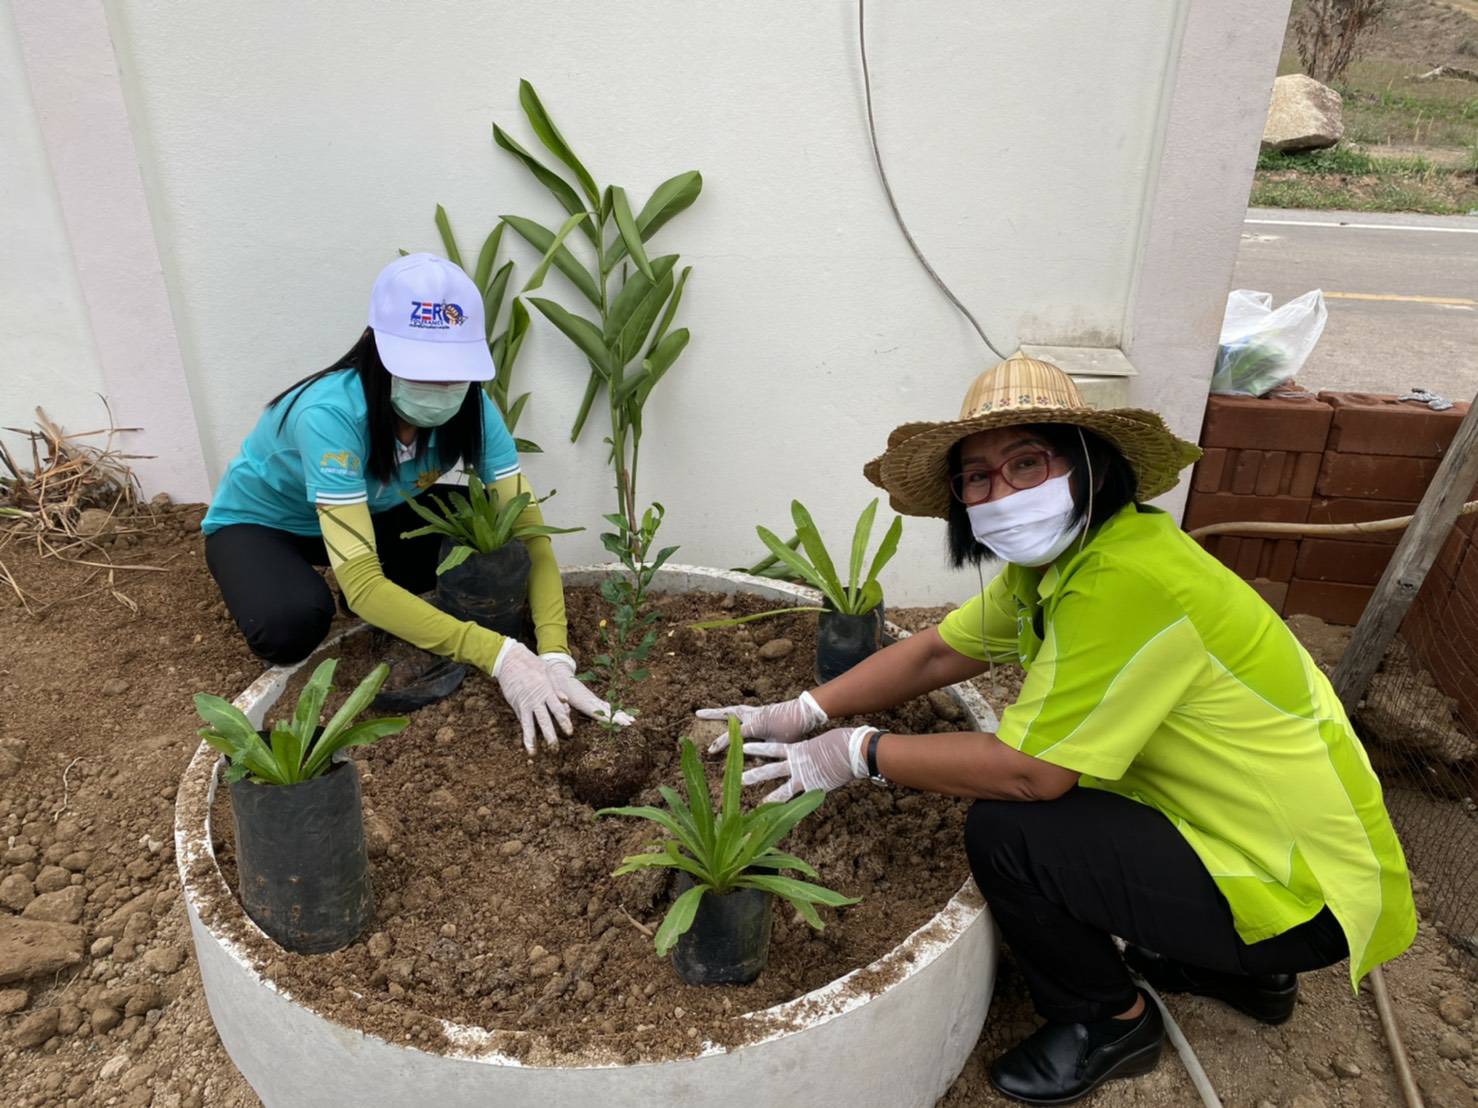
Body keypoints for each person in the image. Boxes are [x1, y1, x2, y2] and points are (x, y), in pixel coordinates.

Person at [698, 355, 1415, 1106]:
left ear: (1090, 468)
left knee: (1012, 833)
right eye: (976, 478)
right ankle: (1250, 974)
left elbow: (1031, 772)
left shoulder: (1124, 581)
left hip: (1311, 889)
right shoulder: (1064, 565)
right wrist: (804, 711)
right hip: (1292, 844)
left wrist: (856, 752)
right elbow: (940, 650)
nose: (999, 492)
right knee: (1083, 802)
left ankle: (1111, 1020)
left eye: (1026, 462)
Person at [203, 253, 625, 754]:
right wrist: (501, 656)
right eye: (424, 368)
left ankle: (393, 592)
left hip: (373, 514)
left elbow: (529, 533)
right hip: (265, 526)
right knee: (291, 625)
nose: (443, 386)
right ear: (375, 349)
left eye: (456, 369)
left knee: (490, 539)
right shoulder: (330, 414)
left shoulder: (474, 408)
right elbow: (361, 588)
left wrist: (555, 654)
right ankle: (293, 581)